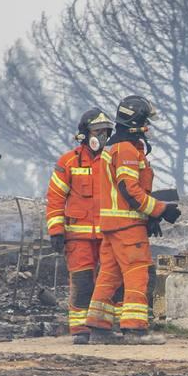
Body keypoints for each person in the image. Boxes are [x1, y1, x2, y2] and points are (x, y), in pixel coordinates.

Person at [85, 96, 179, 344]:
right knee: (137, 273)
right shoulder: (126, 150)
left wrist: (150, 216)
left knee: (109, 275)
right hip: (127, 226)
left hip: (112, 226)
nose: (148, 125)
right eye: (146, 120)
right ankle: (135, 329)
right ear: (137, 121)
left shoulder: (113, 148)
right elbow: (129, 189)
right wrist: (161, 210)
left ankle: (98, 328)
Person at [46, 108, 112, 344]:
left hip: (108, 236)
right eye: (97, 131)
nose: (102, 136)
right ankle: (80, 330)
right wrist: (56, 230)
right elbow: (55, 198)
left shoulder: (112, 160)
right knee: (83, 282)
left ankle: (104, 327)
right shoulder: (68, 161)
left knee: (108, 282)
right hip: (78, 238)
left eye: (105, 131)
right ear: (85, 133)